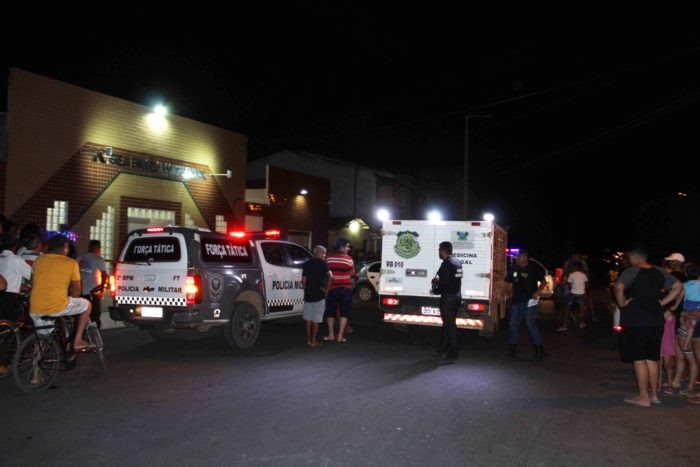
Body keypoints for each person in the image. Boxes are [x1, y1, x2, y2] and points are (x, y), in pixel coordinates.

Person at [614, 243, 682, 407]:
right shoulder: (659, 271)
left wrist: (622, 303)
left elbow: (618, 287)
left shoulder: (631, 271)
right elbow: (678, 287)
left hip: (636, 319)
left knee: (639, 359)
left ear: (633, 257)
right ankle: (654, 395)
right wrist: (662, 303)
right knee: (653, 358)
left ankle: (643, 397)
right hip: (656, 319)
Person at [30, 235, 94, 352]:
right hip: (56, 306)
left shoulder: (39, 260)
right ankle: (78, 341)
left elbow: (33, 282)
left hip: (35, 308)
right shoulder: (71, 263)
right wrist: (72, 300)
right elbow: (77, 290)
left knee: (42, 340)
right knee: (87, 305)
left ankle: (35, 366)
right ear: (65, 247)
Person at [505, 250, 547, 361]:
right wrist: (503, 293)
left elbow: (543, 282)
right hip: (516, 301)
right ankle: (512, 349)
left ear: (524, 258)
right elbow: (507, 281)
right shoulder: (515, 268)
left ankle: (539, 350)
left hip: (529, 302)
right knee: (513, 324)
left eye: (518, 257)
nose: (516, 259)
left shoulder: (534, 268)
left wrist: (537, 292)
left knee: (530, 324)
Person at [431, 241, 462, 361]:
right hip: (457, 296)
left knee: (450, 326)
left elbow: (445, 284)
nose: (439, 252)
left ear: (443, 250)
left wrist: (436, 290)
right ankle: (442, 348)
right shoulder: (457, 261)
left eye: (439, 250)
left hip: (448, 298)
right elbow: (451, 280)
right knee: (448, 324)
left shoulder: (446, 264)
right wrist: (439, 282)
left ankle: (453, 352)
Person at [323, 238, 354, 343]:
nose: (349, 248)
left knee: (330, 312)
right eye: (347, 246)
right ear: (341, 247)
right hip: (346, 289)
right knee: (344, 312)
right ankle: (340, 336)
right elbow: (351, 273)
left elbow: (326, 273)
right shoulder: (349, 259)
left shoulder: (329, 258)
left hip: (333, 288)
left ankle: (331, 335)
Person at [302, 245, 332, 348]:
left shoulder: (306, 264)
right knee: (316, 319)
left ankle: (308, 340)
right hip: (319, 294)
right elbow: (331, 276)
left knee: (308, 318)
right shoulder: (323, 264)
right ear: (319, 253)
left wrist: (306, 290)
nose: (325, 255)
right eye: (324, 253)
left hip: (308, 295)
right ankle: (314, 341)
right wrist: (327, 290)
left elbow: (304, 280)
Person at [0, 233, 32, 322]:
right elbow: (31, 275)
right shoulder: (16, 260)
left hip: (2, 293)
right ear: (15, 245)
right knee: (11, 323)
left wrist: (19, 284)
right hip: (10, 298)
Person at [77, 240, 108, 329]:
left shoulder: (80, 258)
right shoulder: (98, 259)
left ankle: (81, 332)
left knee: (81, 313)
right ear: (97, 248)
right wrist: (102, 287)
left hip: (80, 291)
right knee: (95, 314)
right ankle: (95, 334)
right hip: (93, 292)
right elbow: (104, 275)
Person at [558, 260, 589, 331]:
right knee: (582, 309)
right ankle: (581, 323)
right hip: (581, 294)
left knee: (566, 308)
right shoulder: (583, 275)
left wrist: (567, 286)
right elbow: (586, 284)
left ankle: (564, 325)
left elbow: (568, 285)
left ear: (574, 267)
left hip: (573, 293)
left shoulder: (571, 274)